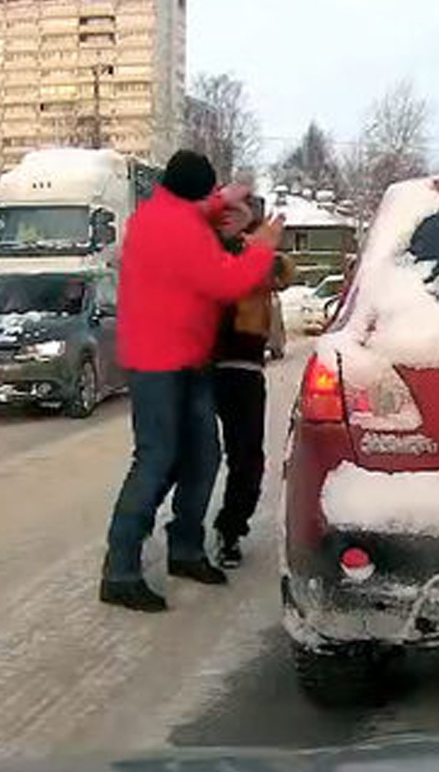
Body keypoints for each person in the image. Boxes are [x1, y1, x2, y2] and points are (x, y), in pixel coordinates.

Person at [100, 150, 284, 613]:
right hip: (159, 363)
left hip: (191, 357)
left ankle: (185, 547)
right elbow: (227, 282)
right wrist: (262, 243)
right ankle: (119, 570)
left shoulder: (164, 209)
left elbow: (197, 208)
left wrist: (226, 197)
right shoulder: (178, 229)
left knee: (204, 454)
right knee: (157, 458)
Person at [210, 207, 295, 566]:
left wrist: (264, 248)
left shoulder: (259, 255)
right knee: (194, 456)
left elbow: (284, 274)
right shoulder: (207, 249)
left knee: (246, 457)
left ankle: (230, 530)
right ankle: (184, 535)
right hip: (201, 365)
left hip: (243, 366)